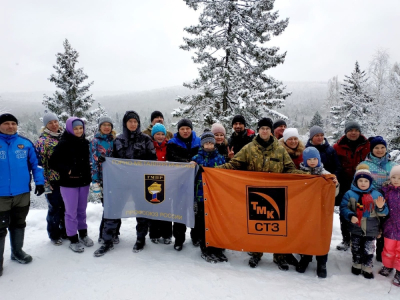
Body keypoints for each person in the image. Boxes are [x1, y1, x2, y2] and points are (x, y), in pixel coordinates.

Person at [217, 117, 307, 270]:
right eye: (262, 128)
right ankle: (256, 254)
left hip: (276, 195)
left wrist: (310, 177)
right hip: (255, 195)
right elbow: (234, 164)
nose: (264, 131)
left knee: (275, 226)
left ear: (271, 131)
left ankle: (279, 256)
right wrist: (213, 171)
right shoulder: (249, 148)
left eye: (267, 128)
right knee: (257, 226)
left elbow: (290, 170)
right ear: (258, 130)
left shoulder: (280, 150)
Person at [0, 113, 44, 276]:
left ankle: (17, 252)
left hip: (22, 193)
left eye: (13, 123)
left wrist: (39, 182)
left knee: (18, 223)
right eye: (6, 123)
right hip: (1, 195)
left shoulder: (25, 144)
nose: (10, 126)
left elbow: (36, 165)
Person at [113, 111, 157, 253]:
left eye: (135, 122)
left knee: (142, 210)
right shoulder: (118, 140)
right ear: (125, 123)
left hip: (140, 181)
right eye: (130, 121)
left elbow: (153, 159)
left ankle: (140, 238)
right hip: (122, 182)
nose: (133, 124)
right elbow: (113, 160)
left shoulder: (145, 139)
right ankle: (109, 237)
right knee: (115, 208)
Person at [50, 117, 94, 253]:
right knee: (71, 212)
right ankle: (73, 238)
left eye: (81, 128)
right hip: (69, 184)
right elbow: (52, 162)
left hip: (84, 182)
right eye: (75, 128)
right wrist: (67, 169)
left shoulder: (86, 143)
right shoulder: (64, 143)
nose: (79, 131)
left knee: (82, 210)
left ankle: (83, 234)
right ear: (70, 128)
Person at [297, 147, 339, 278]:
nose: (312, 161)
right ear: (305, 160)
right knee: (306, 234)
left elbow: (334, 194)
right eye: (309, 159)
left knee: (322, 235)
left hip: (322, 211)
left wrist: (335, 185)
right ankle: (306, 257)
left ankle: (322, 262)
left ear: (319, 159)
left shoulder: (326, 174)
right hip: (306, 211)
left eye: (315, 159)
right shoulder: (299, 174)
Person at [340, 164, 388, 279]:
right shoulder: (349, 194)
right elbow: (344, 208)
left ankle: (367, 266)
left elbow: (384, 213)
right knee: (356, 247)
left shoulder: (377, 195)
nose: (363, 183)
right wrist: (350, 215)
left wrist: (381, 207)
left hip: (371, 228)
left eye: (366, 181)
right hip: (356, 227)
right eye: (360, 180)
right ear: (356, 181)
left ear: (370, 182)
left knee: (369, 249)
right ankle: (356, 264)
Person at [360, 136, 397, 261]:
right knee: (372, 228)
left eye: (382, 147)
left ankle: (383, 254)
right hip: (370, 201)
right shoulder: (365, 165)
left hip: (391, 202)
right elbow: (358, 183)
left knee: (386, 228)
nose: (380, 150)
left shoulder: (393, 165)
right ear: (371, 149)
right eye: (376, 147)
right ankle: (365, 253)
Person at [334, 121, 370, 251]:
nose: (353, 132)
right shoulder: (338, 147)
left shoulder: (368, 145)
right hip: (344, 184)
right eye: (350, 130)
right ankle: (346, 239)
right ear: (346, 132)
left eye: (356, 130)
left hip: (363, 184)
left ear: (360, 132)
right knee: (345, 211)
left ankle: (360, 239)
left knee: (363, 211)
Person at [191, 131, 226, 263]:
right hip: (201, 195)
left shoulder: (220, 159)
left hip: (216, 197)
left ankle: (217, 245)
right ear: (202, 144)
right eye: (206, 143)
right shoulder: (197, 158)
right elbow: (190, 174)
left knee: (216, 221)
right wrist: (191, 166)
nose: (209, 145)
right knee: (202, 222)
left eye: (211, 143)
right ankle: (205, 246)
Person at [167, 118, 201, 251]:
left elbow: (202, 156)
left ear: (191, 129)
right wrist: (187, 162)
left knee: (196, 212)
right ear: (178, 130)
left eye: (188, 128)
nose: (185, 131)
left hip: (196, 182)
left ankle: (196, 236)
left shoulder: (198, 142)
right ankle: (179, 239)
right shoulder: (172, 143)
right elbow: (171, 158)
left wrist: (195, 162)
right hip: (178, 183)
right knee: (179, 211)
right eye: (182, 129)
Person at [90, 116, 121, 257]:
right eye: (104, 125)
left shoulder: (114, 141)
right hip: (102, 179)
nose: (107, 127)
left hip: (115, 179)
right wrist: (95, 182)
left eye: (109, 125)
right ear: (100, 127)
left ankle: (115, 233)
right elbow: (93, 162)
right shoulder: (95, 141)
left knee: (116, 206)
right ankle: (104, 235)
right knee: (108, 208)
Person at [34, 112, 66, 245]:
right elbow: (39, 165)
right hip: (52, 181)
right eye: (50, 123)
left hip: (66, 179)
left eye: (56, 122)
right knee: (54, 208)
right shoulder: (42, 141)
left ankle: (65, 231)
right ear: (45, 125)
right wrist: (45, 183)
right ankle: (54, 234)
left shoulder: (64, 137)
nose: (54, 125)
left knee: (66, 207)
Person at [148, 123, 173, 245]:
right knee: (154, 206)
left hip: (167, 180)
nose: (160, 136)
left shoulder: (169, 145)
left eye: (162, 134)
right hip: (152, 180)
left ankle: (167, 234)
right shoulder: (149, 146)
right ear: (153, 135)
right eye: (157, 134)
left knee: (166, 208)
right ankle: (154, 233)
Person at [379, 165, 400, 286]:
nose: (396, 180)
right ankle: (387, 266)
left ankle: (399, 271)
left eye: (399, 177)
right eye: (394, 177)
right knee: (389, 248)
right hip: (389, 226)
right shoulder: (386, 191)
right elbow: (381, 206)